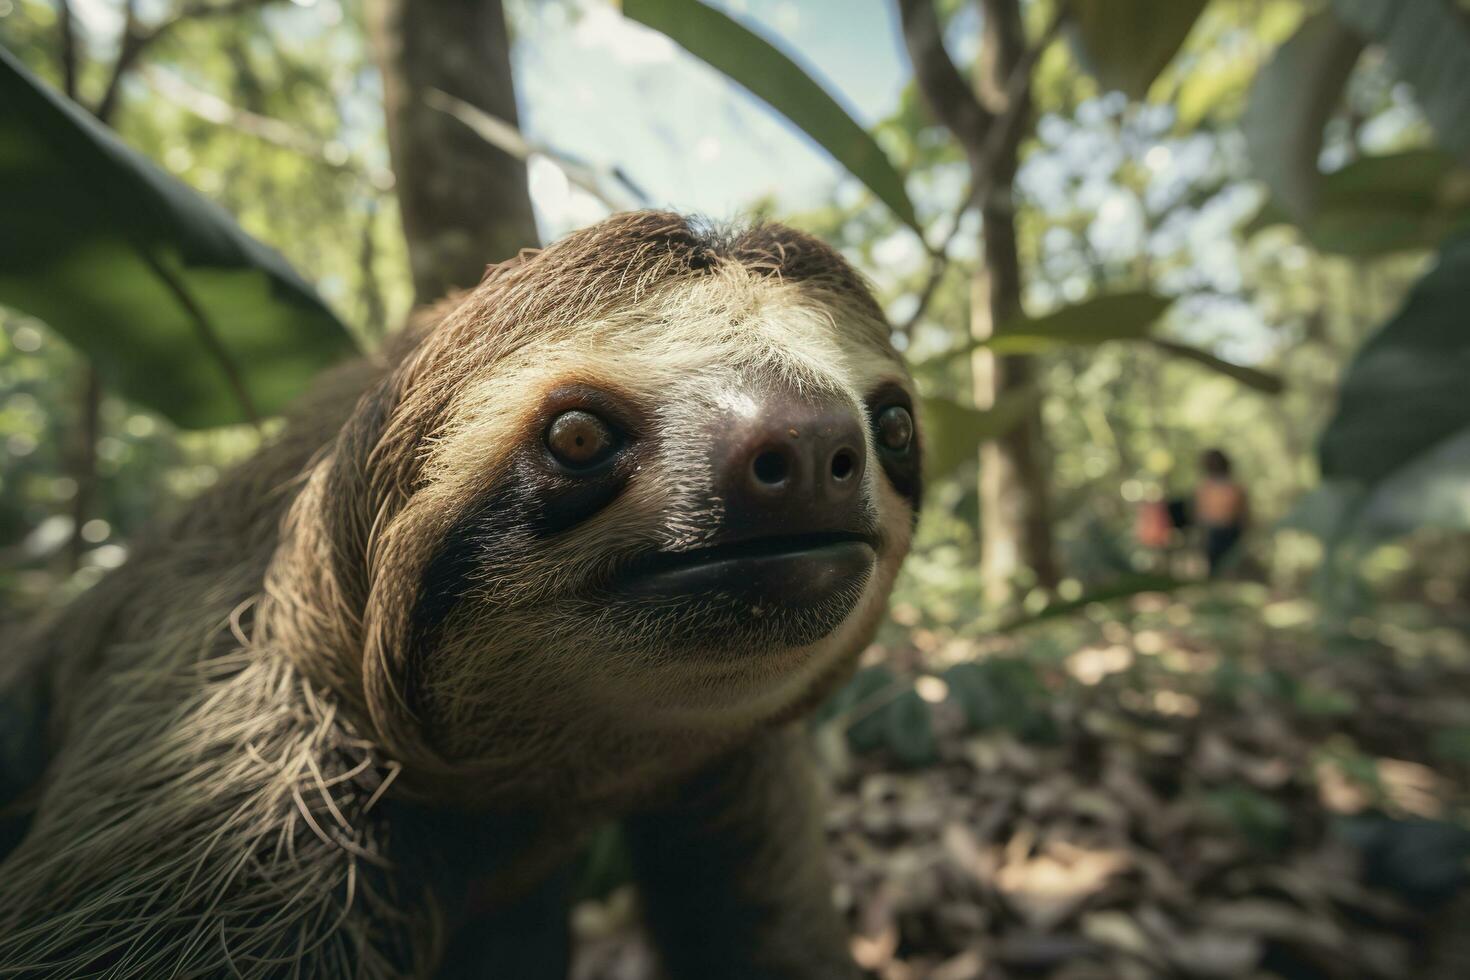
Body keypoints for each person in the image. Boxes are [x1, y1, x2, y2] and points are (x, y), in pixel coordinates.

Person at [1193, 448, 1249, 577]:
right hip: (1213, 533)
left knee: (1231, 567)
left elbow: (1243, 513)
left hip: (1232, 532)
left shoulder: (1235, 487)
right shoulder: (1204, 488)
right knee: (1216, 568)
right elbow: (1199, 514)